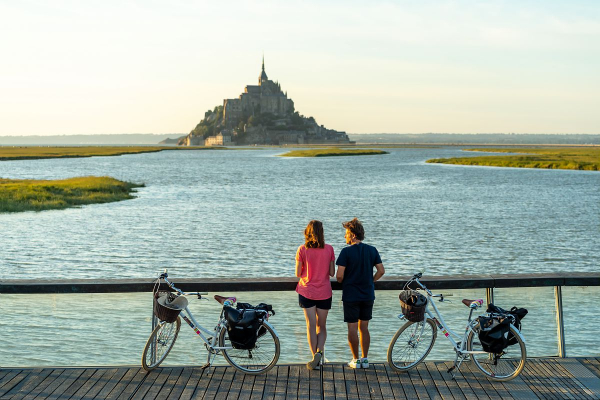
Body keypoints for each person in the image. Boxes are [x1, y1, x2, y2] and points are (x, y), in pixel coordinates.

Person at [336, 218, 385, 369]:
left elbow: (339, 276)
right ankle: (365, 359)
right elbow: (381, 271)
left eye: (346, 234)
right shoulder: (372, 250)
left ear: (352, 234)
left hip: (351, 295)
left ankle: (355, 359)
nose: (344, 237)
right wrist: (371, 280)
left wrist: (343, 281)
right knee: (364, 327)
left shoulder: (346, 252)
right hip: (368, 294)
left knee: (352, 327)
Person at [295, 220, 335, 370]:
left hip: (307, 291)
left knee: (310, 326)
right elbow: (332, 273)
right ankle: (320, 353)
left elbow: (298, 273)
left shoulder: (302, 249)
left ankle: (315, 358)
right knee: (322, 326)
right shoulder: (329, 249)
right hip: (324, 292)